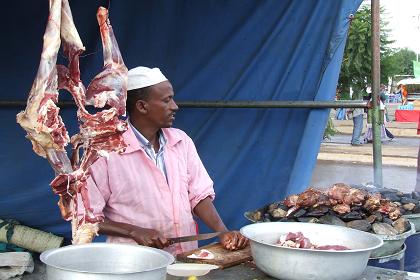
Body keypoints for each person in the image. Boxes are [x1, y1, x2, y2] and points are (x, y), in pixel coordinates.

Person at [84, 66, 248, 255]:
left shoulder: (180, 141)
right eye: (167, 100)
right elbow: (86, 217)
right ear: (142, 106)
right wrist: (133, 230)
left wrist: (222, 231)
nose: (175, 106)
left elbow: (199, 195)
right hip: (132, 263)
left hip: (185, 258)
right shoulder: (105, 151)